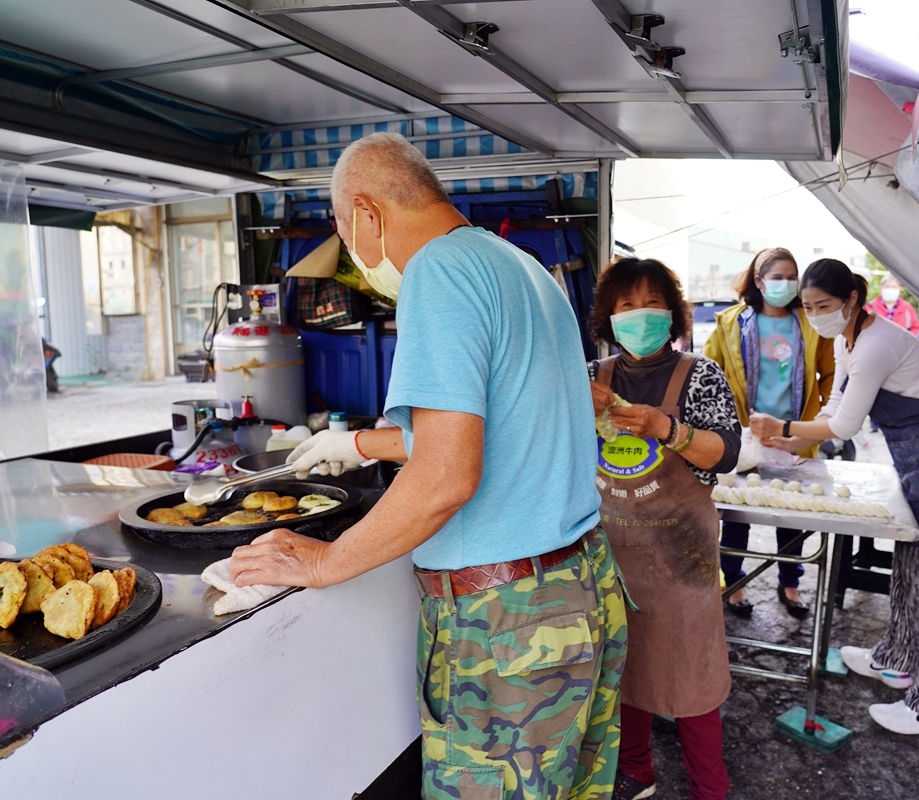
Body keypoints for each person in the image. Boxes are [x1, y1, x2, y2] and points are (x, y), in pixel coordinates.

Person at [229, 132, 628, 798]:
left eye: (342, 232)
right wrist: (357, 445)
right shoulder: (520, 265)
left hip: (509, 623)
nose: (354, 255)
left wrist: (326, 560)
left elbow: (447, 476)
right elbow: (498, 431)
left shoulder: (437, 273)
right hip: (583, 586)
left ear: (364, 212)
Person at [748, 258, 919, 737]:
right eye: (807, 306)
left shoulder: (877, 343)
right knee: (910, 566)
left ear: (852, 299)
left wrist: (783, 427)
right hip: (918, 461)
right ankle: (896, 660)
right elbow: (834, 406)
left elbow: (846, 425)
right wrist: (793, 442)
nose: (814, 314)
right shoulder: (845, 339)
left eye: (824, 305)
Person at [589, 258, 739, 800]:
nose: (639, 314)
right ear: (609, 315)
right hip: (611, 552)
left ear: (672, 312)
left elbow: (725, 454)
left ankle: (709, 788)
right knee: (623, 672)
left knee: (692, 678)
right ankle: (637, 772)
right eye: (626, 304)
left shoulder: (699, 374)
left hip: (681, 558)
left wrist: (666, 428)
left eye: (652, 302)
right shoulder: (592, 378)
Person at [704, 247, 834, 619]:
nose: (787, 284)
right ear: (759, 282)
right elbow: (710, 378)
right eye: (778, 277)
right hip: (744, 438)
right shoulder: (730, 323)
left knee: (792, 515)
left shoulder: (811, 325)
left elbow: (830, 377)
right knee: (737, 516)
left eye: (793, 276)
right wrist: (726, 429)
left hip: (794, 437)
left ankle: (790, 581)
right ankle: (735, 582)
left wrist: (815, 428)